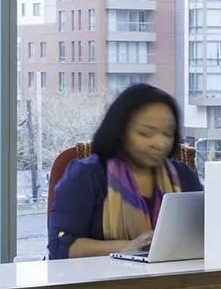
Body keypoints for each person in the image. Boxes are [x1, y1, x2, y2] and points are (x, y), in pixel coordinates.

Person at [48, 83, 203, 260]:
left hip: (175, 281)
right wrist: (128, 247)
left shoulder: (183, 175)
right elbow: (60, 246)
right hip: (104, 283)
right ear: (120, 131)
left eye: (168, 134)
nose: (160, 143)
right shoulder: (86, 175)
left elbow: (204, 234)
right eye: (146, 133)